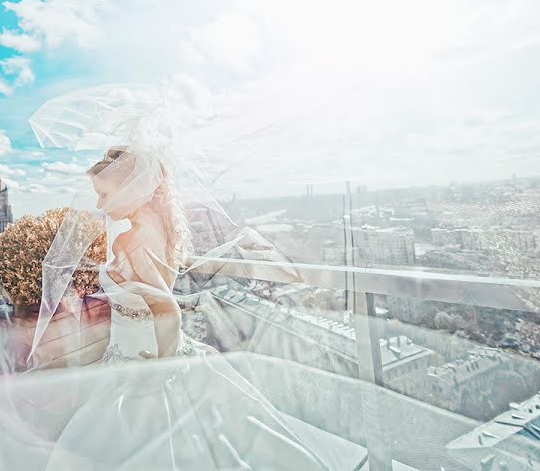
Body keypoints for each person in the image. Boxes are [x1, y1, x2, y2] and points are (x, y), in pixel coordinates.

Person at [41, 145, 365, 470]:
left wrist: (159, 372)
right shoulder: (162, 232)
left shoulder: (130, 241)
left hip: (145, 358)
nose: (99, 204)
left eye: (103, 194)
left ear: (131, 189)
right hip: (156, 350)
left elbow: (166, 309)